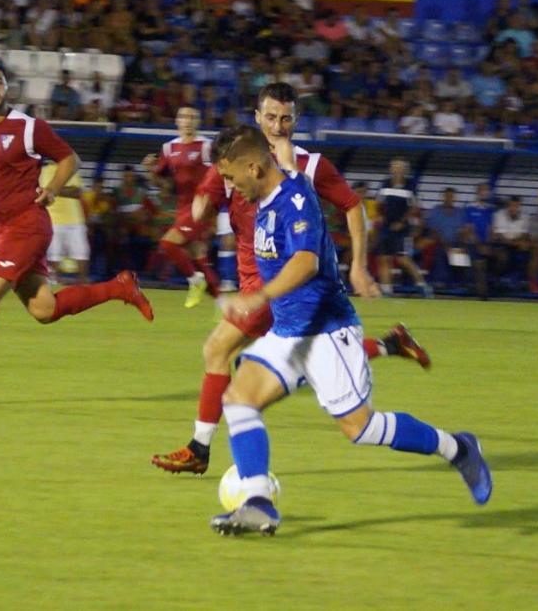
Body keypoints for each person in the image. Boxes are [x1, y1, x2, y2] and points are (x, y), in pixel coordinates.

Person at [208, 125, 491, 535]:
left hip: (326, 331)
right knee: (237, 400)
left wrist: (255, 298)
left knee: (361, 429)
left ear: (253, 167)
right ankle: (258, 504)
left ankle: (459, 448)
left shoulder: (296, 199)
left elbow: (306, 263)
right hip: (290, 333)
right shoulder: (266, 203)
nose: (230, 188)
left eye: (231, 178)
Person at [151, 84, 429, 476]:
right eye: (270, 117)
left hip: (280, 287)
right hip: (260, 285)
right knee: (309, 356)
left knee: (218, 351)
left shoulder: (310, 166)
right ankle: (389, 344)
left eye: (285, 118)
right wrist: (194, 210)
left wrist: (358, 265)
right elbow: (203, 202)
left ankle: (202, 448)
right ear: (256, 117)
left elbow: (352, 206)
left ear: (296, 120)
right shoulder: (238, 160)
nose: (277, 126)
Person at [0, 57, 154, 404]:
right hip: (3, 230)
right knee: (45, 310)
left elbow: (70, 160)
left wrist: (52, 188)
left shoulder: (27, 127)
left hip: (27, 226)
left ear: (7, 88)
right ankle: (120, 287)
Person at [141, 106, 221, 308]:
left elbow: (220, 175)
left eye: (192, 117)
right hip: (183, 206)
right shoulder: (169, 148)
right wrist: (150, 170)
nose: (188, 120)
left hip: (201, 205)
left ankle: (195, 281)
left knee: (168, 244)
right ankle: (226, 307)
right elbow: (164, 183)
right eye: (184, 116)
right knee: (198, 257)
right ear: (177, 121)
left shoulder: (206, 146)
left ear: (198, 121)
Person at [376, 159, 432, 297]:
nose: (396, 169)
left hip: (402, 229)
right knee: (384, 258)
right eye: (394, 166)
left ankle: (423, 286)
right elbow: (379, 203)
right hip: (386, 227)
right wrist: (381, 217)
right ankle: (387, 290)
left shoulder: (410, 185)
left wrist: (401, 222)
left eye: (400, 167)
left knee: (403, 258)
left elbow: (414, 207)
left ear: (405, 170)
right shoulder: (385, 184)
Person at [39, 161, 90, 283]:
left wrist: (53, 189)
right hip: (53, 219)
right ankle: (53, 281)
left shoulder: (70, 168)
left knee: (82, 252)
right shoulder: (45, 170)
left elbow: (77, 192)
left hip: (75, 220)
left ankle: (83, 283)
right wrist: (63, 189)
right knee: (54, 254)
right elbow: (43, 193)